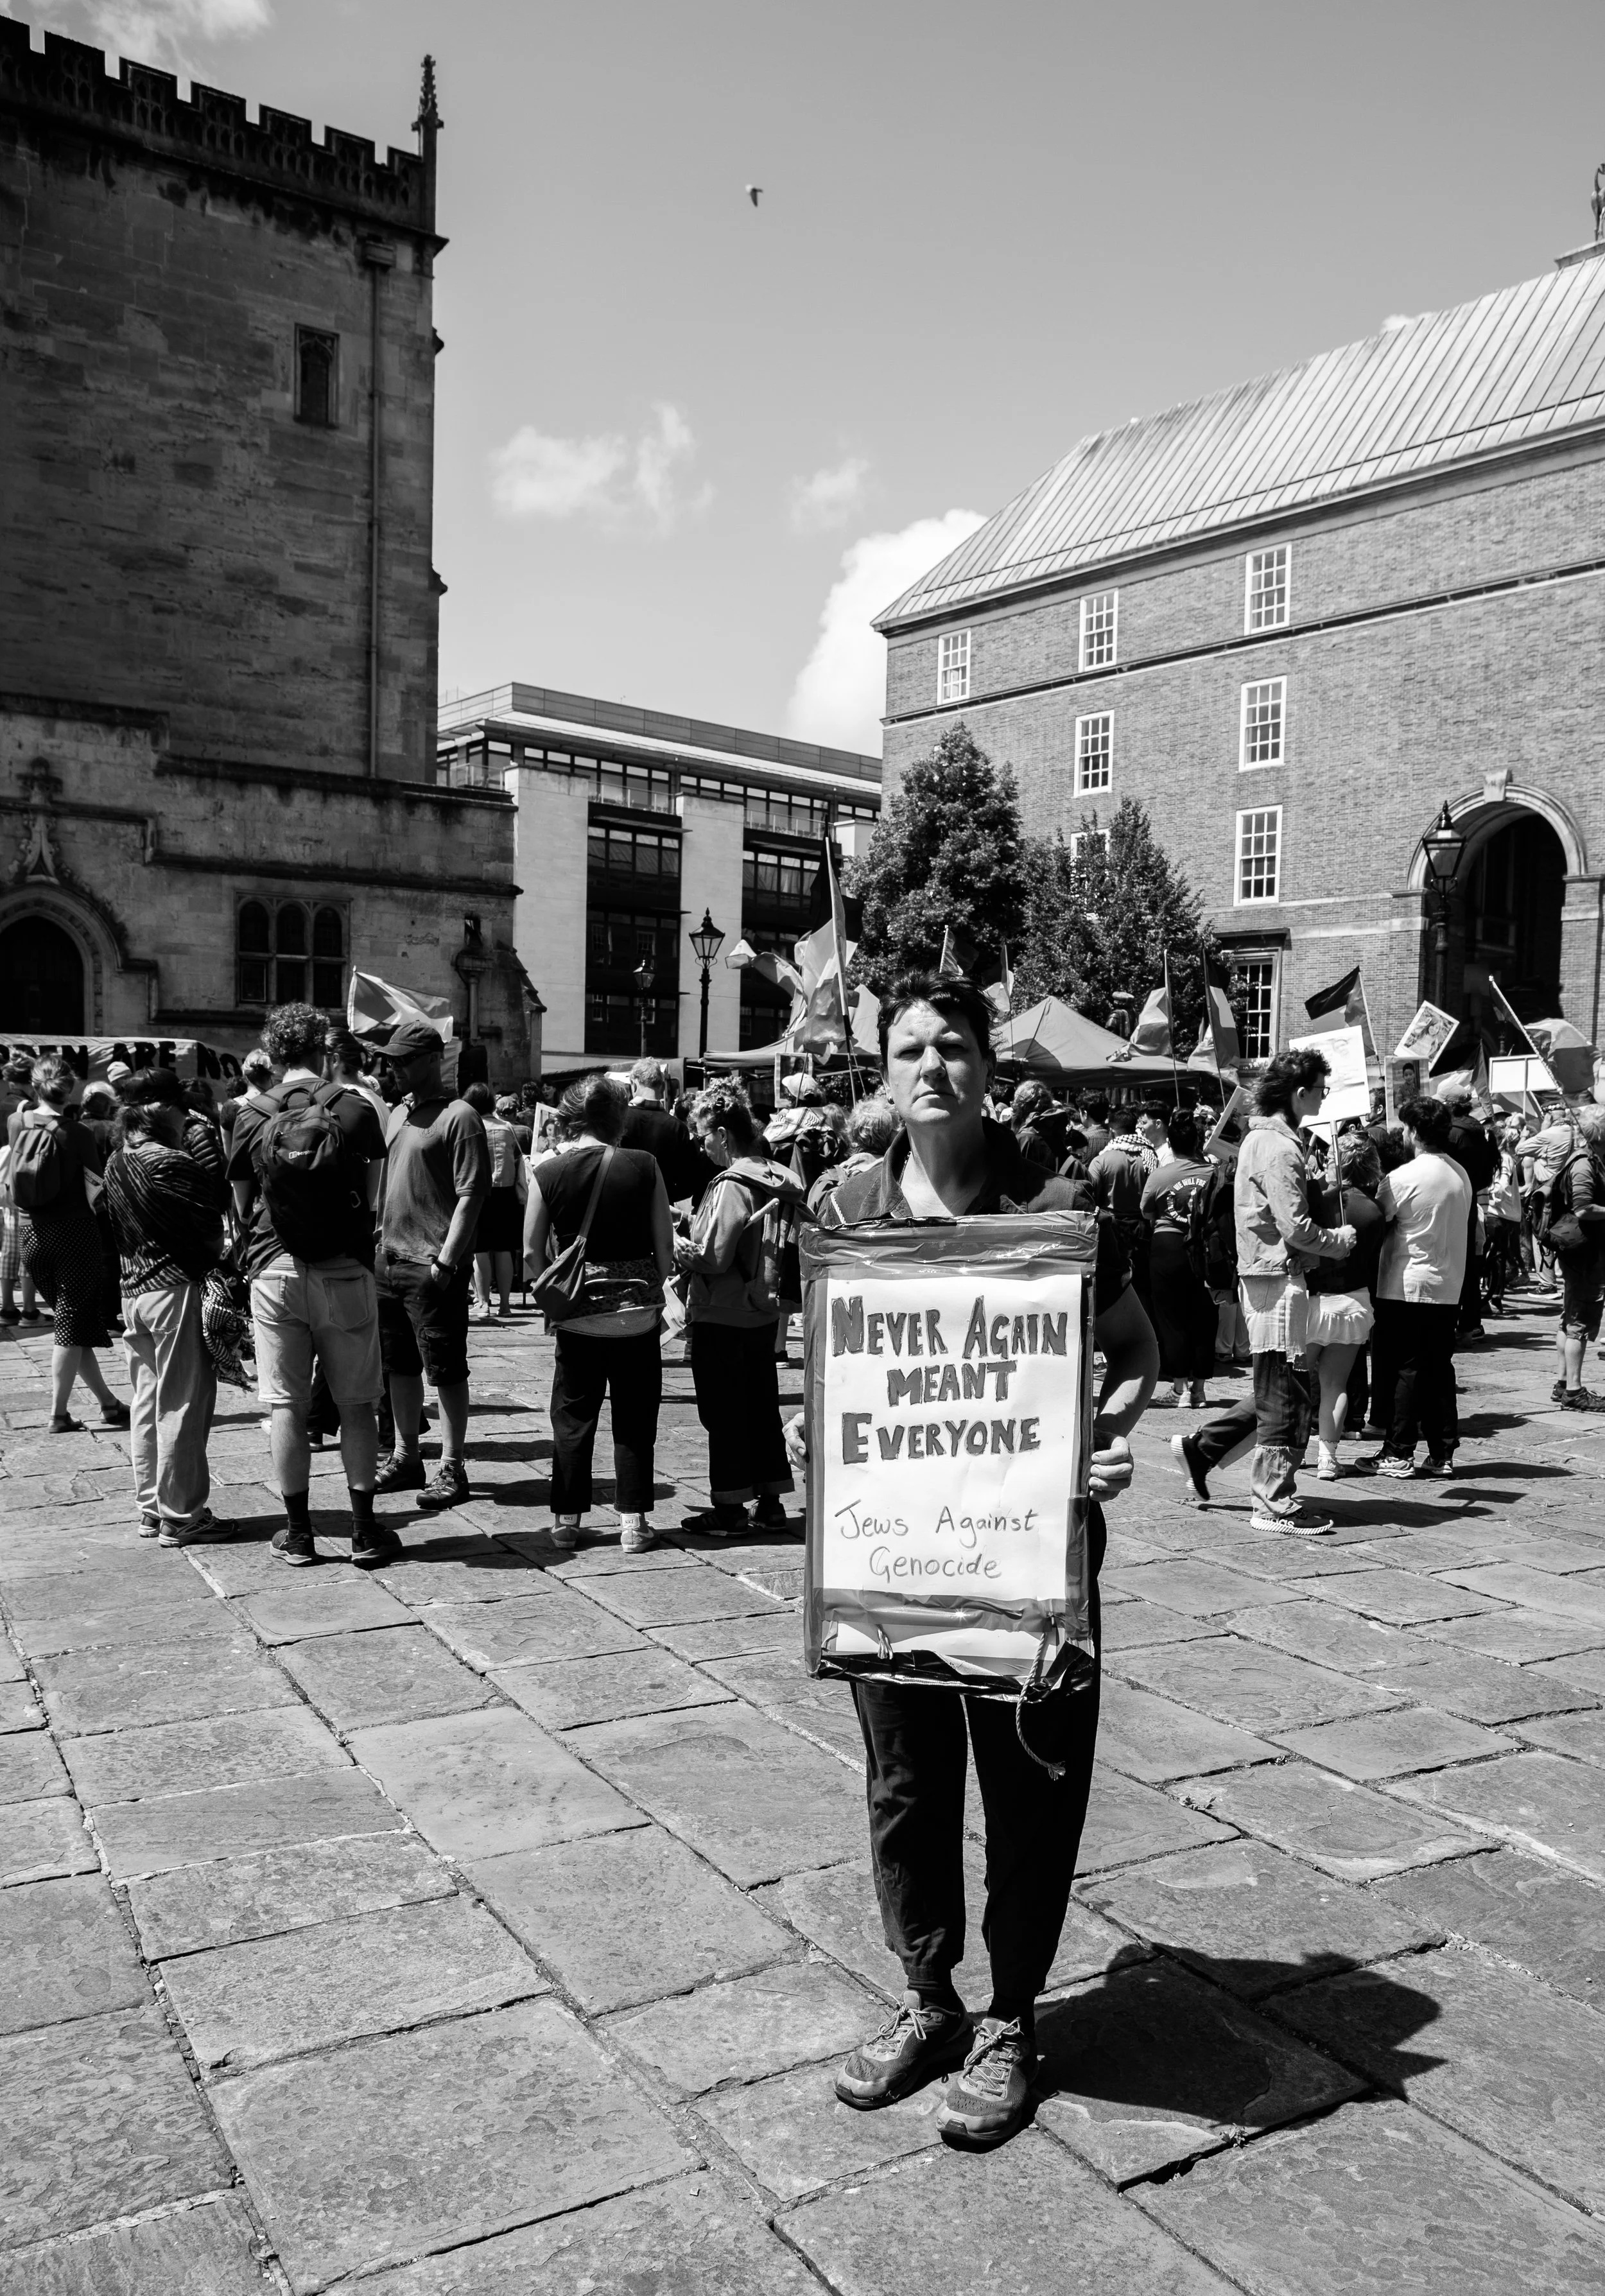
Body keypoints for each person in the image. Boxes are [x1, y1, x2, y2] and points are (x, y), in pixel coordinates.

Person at [817, 973, 1157, 2151]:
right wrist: (819, 1426)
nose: (931, 1067)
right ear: (883, 1068)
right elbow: (839, 1369)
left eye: (951, 1046)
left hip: (1026, 1563)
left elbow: (1131, 1352)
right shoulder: (850, 1202)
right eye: (908, 1047)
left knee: (1028, 1793)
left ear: (983, 1060)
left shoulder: (1057, 1203)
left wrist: (1096, 1445)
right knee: (904, 1789)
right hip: (893, 1556)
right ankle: (929, 1998)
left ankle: (1012, 2015)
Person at [229, 1003, 395, 1567]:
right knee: (356, 1404)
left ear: (273, 1055)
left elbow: (244, 1206)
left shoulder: (250, 1115)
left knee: (286, 1406)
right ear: (323, 1050)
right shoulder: (354, 1108)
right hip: (344, 1267)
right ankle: (365, 1531)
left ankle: (298, 1534)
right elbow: (371, 1199)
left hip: (274, 1269)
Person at [1173, 1049, 1355, 1535]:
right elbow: (1295, 1226)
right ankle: (1271, 1501)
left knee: (1280, 1387)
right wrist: (1338, 1242)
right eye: (1321, 1088)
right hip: (1276, 1279)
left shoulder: (1264, 1140)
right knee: (1284, 1393)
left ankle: (1203, 1450)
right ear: (1300, 1093)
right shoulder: (1279, 1146)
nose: (1324, 1096)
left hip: (1268, 1276)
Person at [525, 1074, 675, 1552]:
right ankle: (633, 1524)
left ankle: (567, 1521)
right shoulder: (645, 1166)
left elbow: (531, 1252)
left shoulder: (547, 1173)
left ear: (568, 1119)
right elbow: (666, 1252)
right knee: (635, 1417)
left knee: (572, 1417)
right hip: (637, 1315)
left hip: (577, 1315)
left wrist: (557, 1290)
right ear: (619, 1117)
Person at [101, 1070, 229, 1544]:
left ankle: (152, 1507)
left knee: (148, 1403)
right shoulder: (171, 1162)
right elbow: (210, 1231)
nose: (187, 1116)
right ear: (161, 1111)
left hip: (133, 1290)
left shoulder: (118, 1159)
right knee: (182, 1403)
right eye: (179, 1107)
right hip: (173, 1290)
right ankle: (182, 1515)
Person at [678, 1080, 809, 1536]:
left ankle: (730, 1510)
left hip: (723, 1311)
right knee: (760, 1406)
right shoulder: (776, 1174)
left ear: (723, 1133)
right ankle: (771, 1502)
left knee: (724, 1413)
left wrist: (678, 1245)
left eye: (702, 1135)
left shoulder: (732, 1183)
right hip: (762, 1310)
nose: (700, 1144)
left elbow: (713, 1257)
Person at [372, 1021, 490, 1511]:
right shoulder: (400, 1112)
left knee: (444, 1369)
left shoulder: (460, 1116)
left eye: (402, 1060)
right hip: (390, 1260)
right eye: (392, 1060)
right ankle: (406, 1455)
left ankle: (452, 1466)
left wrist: (446, 1261)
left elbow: (472, 1193)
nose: (393, 1068)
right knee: (397, 1366)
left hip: (431, 1263)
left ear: (432, 1060)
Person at [8, 1057, 130, 1434]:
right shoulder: (75, 1133)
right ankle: (58, 1414)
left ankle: (109, 1403)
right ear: (71, 1087)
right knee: (70, 1326)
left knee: (73, 1324)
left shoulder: (17, 1122)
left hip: (32, 1235)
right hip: (75, 1234)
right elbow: (96, 1185)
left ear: (34, 1084)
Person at [1358, 1093, 1475, 1475]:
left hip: (1405, 1284)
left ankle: (1399, 1450)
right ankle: (1442, 1452)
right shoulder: (1460, 1174)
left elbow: (1377, 1222)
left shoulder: (1402, 1177)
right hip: (1447, 1284)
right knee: (1439, 1367)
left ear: (1413, 1132)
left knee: (1403, 1368)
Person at [1304, 1131, 1385, 1477]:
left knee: (1294, 1382)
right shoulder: (1374, 1210)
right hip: (1354, 1303)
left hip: (1314, 1303)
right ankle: (1328, 1458)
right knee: (1335, 1385)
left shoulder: (1318, 1202)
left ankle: (1285, 1449)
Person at [1139, 1108, 1219, 1408]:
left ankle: (1179, 1389)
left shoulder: (1161, 1175)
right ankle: (1198, 1390)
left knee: (1171, 1318)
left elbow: (1146, 1212)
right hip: (1206, 1250)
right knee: (1205, 1317)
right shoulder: (1214, 1174)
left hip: (1168, 1247)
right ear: (1199, 1143)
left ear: (1170, 1144)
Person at [1533, 1101, 1605, 1414]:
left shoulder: (1585, 1158)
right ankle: (1574, 1391)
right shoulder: (1585, 1164)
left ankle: (1563, 1382)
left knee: (1570, 1315)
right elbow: (1583, 1208)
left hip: (1581, 1250)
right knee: (1581, 1320)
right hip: (1585, 1251)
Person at [1088, 1102, 1165, 1308]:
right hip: (1143, 1231)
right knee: (1142, 1286)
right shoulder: (1150, 1156)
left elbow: (1091, 1196)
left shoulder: (1102, 1160)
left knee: (1115, 1286)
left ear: (1112, 1130)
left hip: (1112, 1231)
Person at [465, 1081, 526, 1321]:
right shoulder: (507, 1128)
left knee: (480, 1251)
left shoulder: (471, 1127)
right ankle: (505, 1304)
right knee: (503, 1250)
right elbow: (519, 1158)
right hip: (507, 1194)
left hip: (480, 1194)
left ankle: (483, 1302)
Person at [1441, 1083, 1497, 1339]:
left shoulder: (1452, 1133)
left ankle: (1453, 1323)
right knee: (1469, 1263)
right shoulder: (1479, 1131)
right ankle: (1471, 1322)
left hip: (1451, 1202)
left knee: (1451, 1262)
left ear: (1450, 1106)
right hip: (1471, 1199)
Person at [620, 1057, 713, 1206]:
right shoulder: (679, 1129)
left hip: (623, 1209)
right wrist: (662, 1196)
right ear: (663, 1087)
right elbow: (689, 1184)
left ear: (634, 1084)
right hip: (663, 1214)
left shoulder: (619, 1121)